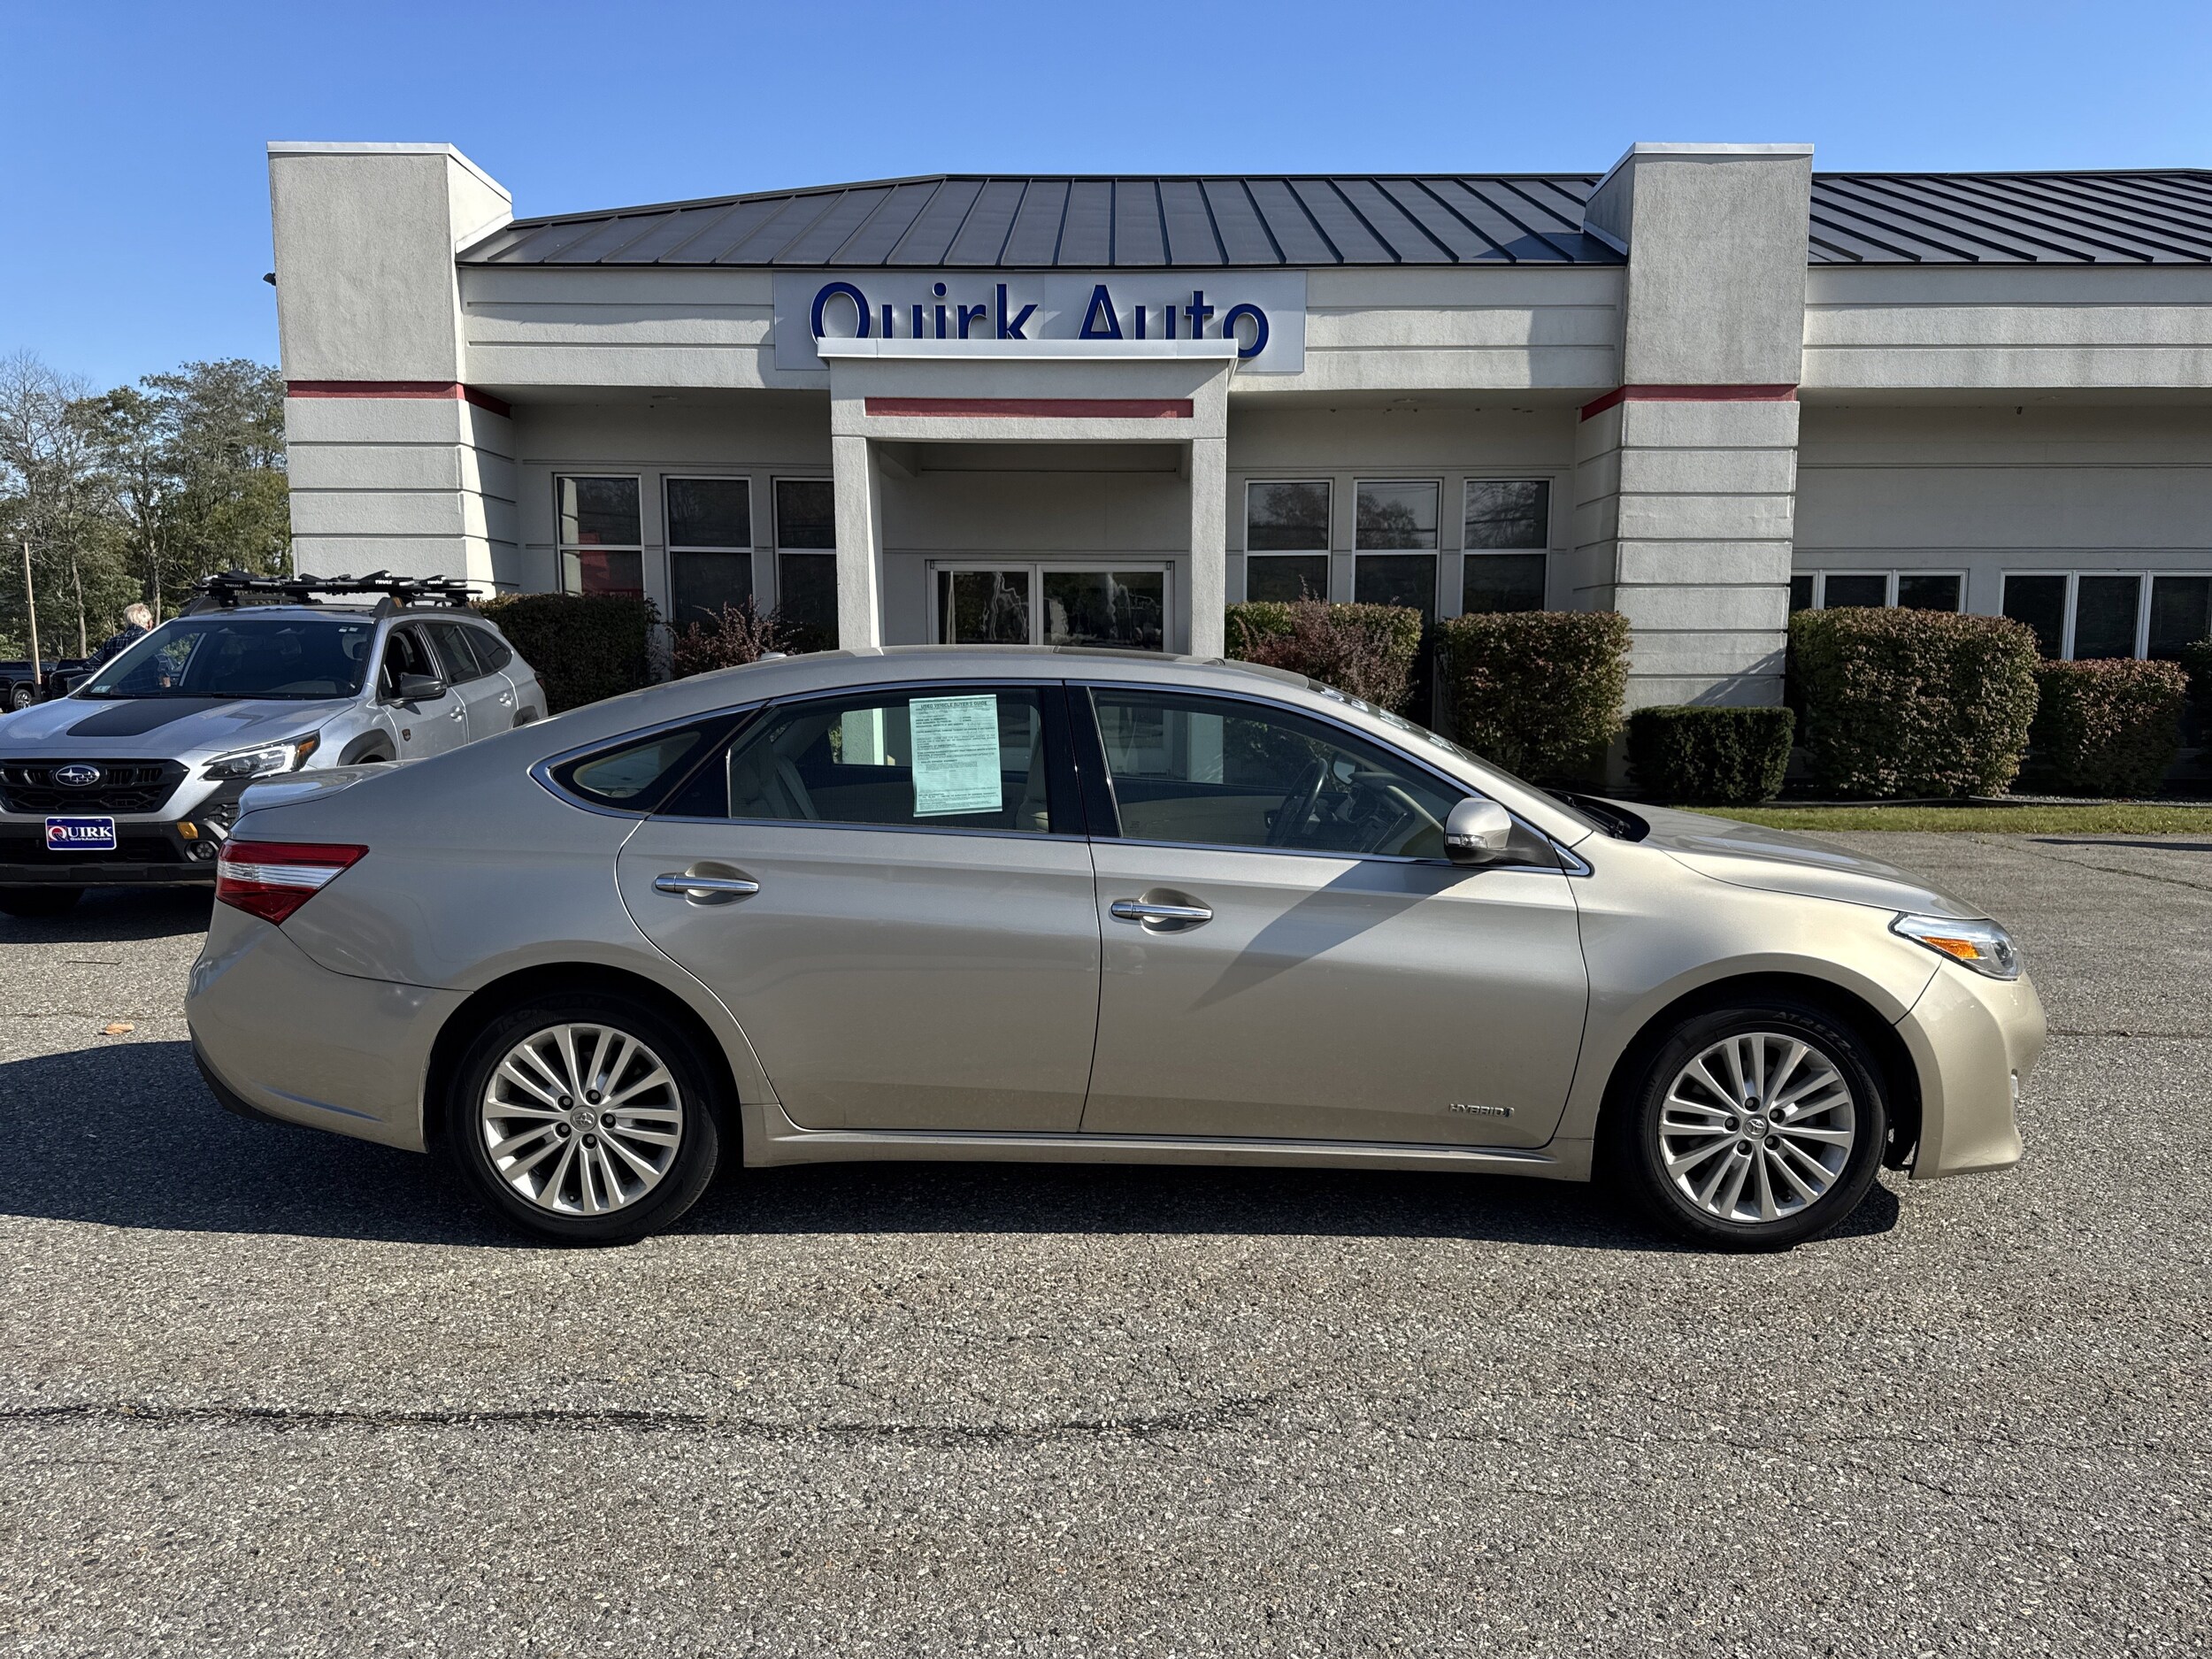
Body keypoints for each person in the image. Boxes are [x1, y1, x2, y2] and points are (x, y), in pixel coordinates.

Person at [85, 603, 154, 672]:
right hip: (147, 682)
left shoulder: (111, 642)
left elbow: (89, 665)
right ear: (149, 623)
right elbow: (162, 662)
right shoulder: (150, 640)